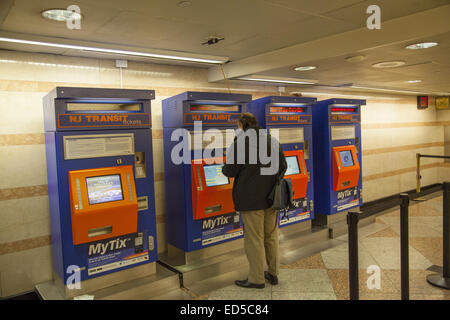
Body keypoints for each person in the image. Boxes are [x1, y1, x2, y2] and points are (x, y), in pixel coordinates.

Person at [222, 112, 287, 289]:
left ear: (242, 125)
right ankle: (273, 274)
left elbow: (229, 171)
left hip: (250, 200)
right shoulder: (272, 140)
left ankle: (256, 278)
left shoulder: (240, 143)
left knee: (254, 239)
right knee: (271, 236)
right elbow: (283, 166)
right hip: (271, 198)